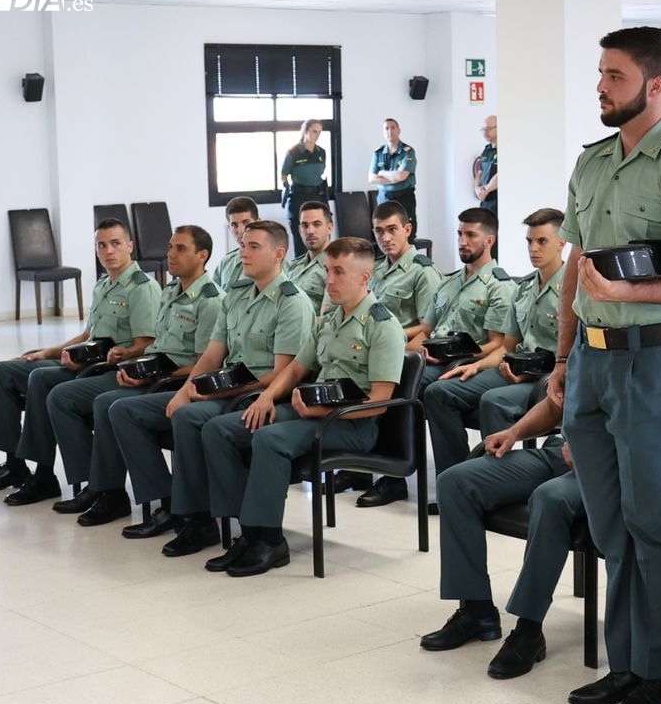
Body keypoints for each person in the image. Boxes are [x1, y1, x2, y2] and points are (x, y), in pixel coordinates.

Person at [546, 26, 661, 704]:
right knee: (610, 526)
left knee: (653, 525)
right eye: (600, 73)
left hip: (656, 361)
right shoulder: (593, 161)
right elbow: (576, 265)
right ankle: (624, 662)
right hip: (592, 362)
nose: (600, 86)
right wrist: (562, 358)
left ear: (656, 86)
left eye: (614, 76)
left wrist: (629, 294)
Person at [198, 237, 405, 576]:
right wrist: (267, 397)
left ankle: (269, 541)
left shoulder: (383, 326)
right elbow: (296, 369)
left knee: (269, 439)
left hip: (352, 424)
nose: (329, 280)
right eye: (327, 271)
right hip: (314, 411)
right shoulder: (329, 320)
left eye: (339, 272)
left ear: (364, 277)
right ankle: (247, 530)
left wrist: (321, 412)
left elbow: (380, 401)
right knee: (220, 429)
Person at [107, 220, 314, 552]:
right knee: (125, 410)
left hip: (257, 394)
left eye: (254, 247)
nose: (243, 253)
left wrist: (216, 392)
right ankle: (174, 506)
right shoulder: (237, 294)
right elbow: (213, 354)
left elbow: (282, 374)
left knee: (189, 418)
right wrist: (184, 391)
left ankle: (206, 520)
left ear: (279, 254)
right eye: (243, 245)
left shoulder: (292, 302)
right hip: (225, 385)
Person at [0, 219, 161, 505]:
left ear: (130, 246)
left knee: (41, 380)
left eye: (115, 243)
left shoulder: (142, 288)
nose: (108, 251)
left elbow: (147, 343)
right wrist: (47, 352)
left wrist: (121, 353)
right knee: (2, 372)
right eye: (101, 245)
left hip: (108, 369)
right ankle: (14, 465)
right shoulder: (103, 285)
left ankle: (47, 476)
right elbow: (86, 335)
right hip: (87, 361)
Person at [45, 226, 222, 527]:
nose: (170, 254)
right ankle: (107, 491)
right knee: (98, 401)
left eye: (180, 248)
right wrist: (136, 365)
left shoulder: (210, 300)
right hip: (156, 373)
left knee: (113, 406)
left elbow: (203, 364)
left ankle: (164, 501)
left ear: (202, 256)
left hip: (179, 381)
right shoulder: (170, 292)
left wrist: (153, 375)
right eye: (170, 246)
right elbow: (157, 346)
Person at [421, 396, 607, 681]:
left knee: (548, 499)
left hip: (604, 462)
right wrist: (514, 432)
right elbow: (554, 406)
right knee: (454, 482)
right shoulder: (576, 366)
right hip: (559, 451)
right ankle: (477, 611)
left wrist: (591, 447)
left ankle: (529, 629)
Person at [355, 207, 513, 508]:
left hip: (467, 364)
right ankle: (382, 470)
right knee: (389, 376)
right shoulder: (449, 281)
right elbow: (426, 331)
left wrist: (456, 356)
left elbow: (497, 343)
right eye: (459, 234)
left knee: (409, 388)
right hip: (432, 359)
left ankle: (425, 480)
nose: (462, 241)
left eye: (470, 235)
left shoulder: (498, 286)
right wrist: (401, 357)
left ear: (489, 240)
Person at [423, 207, 566, 481]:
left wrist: (530, 374)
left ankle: (495, 482)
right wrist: (475, 367)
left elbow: (573, 355)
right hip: (513, 368)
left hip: (548, 379)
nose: (533, 248)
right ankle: (455, 479)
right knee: (438, 392)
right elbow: (506, 347)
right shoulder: (524, 289)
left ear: (562, 242)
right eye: (529, 241)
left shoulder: (571, 291)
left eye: (542, 241)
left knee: (494, 401)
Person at [334, 201, 442, 495]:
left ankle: (394, 477)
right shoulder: (377, 269)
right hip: (369, 350)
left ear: (408, 229)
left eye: (392, 229)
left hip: (405, 352)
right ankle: (357, 467)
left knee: (392, 388)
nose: (385, 237)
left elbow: (427, 328)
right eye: (379, 231)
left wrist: (390, 344)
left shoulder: (423, 272)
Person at [281, 119, 328, 256]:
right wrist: (286, 187)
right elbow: (284, 175)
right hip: (299, 198)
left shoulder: (321, 152)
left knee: (321, 238)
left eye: (319, 132)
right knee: (302, 240)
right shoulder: (293, 152)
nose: (317, 135)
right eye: (314, 131)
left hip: (318, 197)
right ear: (305, 132)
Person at [369, 118, 418, 234]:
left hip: (404, 197)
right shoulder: (378, 153)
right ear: (383, 132)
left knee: (406, 232)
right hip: (384, 197)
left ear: (399, 130)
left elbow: (401, 176)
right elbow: (371, 178)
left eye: (393, 128)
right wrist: (394, 178)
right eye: (386, 128)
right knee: (384, 230)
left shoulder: (408, 152)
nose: (389, 131)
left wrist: (382, 173)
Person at [283, 201, 332, 312]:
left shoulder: (336, 269)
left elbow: (330, 318)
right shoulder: (293, 267)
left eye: (317, 224)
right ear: (299, 230)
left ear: (329, 228)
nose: (310, 231)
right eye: (305, 225)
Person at [213, 197, 259, 288]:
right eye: (234, 225)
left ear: (258, 223)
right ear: (229, 228)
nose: (240, 230)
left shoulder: (272, 260)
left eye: (246, 223)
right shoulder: (225, 263)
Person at [474, 115, 498, 213]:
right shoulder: (486, 150)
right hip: (485, 202)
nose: (485, 132)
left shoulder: (505, 149)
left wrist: (485, 190)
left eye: (488, 129)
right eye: (483, 129)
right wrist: (477, 188)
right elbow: (480, 172)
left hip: (497, 202)